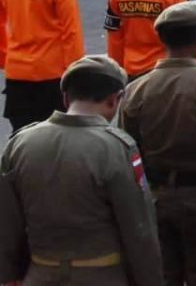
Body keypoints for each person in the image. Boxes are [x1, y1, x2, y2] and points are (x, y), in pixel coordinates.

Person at [0, 55, 163, 286]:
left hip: (41, 272)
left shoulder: (19, 144)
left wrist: (9, 275)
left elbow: (7, 222)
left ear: (66, 98)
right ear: (114, 100)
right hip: (103, 275)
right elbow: (139, 229)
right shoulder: (118, 147)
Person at [119, 1, 196, 286]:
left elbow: (128, 152)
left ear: (161, 39)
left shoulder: (136, 90)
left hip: (156, 197)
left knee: (163, 273)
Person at [0, 0, 84, 131]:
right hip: (51, 72)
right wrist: (75, 71)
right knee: (55, 136)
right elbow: (71, 30)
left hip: (17, 71)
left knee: (22, 136)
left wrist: (5, 58)